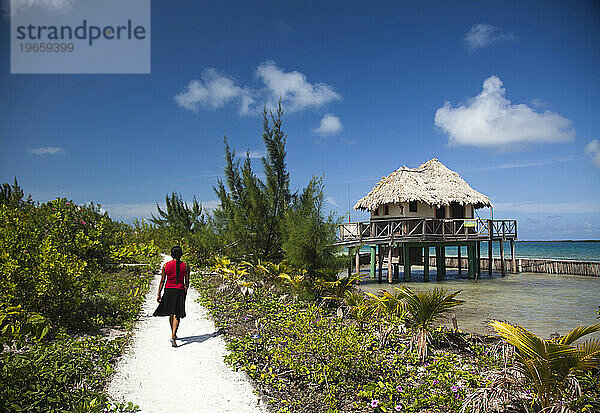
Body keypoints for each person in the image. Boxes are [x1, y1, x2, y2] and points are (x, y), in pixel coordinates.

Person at [153, 246, 189, 347]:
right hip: (180, 290)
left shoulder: (166, 266)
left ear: (171, 254)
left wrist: (159, 293)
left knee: (171, 312)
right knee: (177, 314)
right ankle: (173, 335)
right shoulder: (185, 266)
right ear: (181, 254)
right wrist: (185, 294)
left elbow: (162, 281)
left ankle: (173, 333)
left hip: (169, 290)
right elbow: (187, 283)